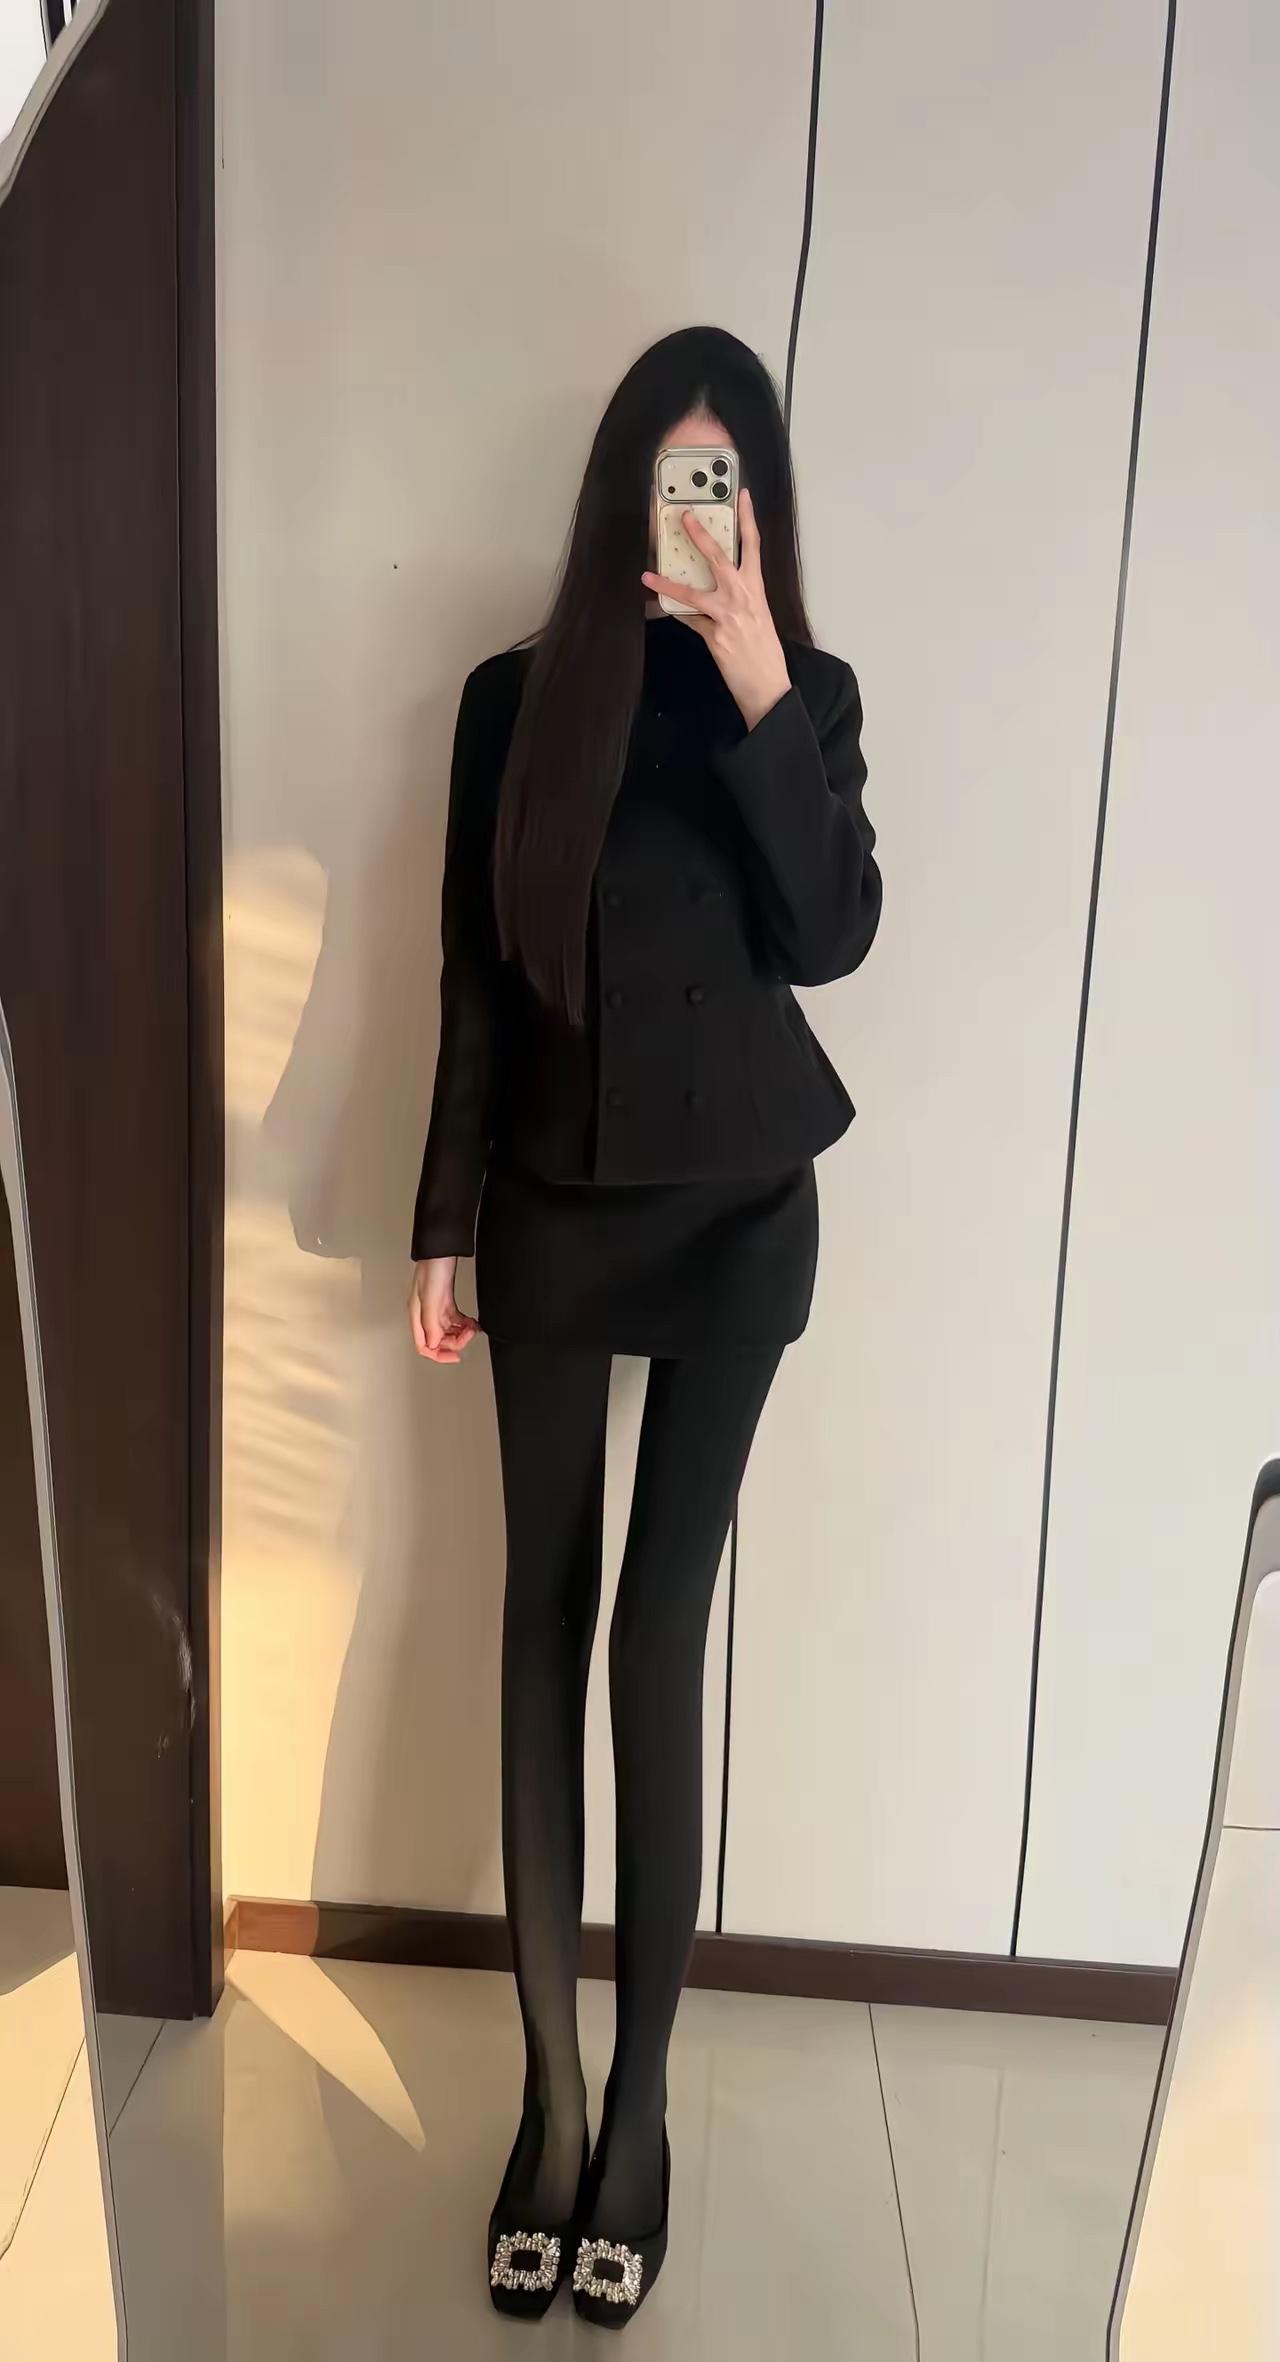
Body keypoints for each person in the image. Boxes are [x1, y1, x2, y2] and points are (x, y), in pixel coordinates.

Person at [407, 324, 882, 2327]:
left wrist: (761, 674)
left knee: (652, 1634)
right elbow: (472, 976)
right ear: (617, 492)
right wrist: (442, 1221)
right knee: (538, 1617)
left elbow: (834, 935)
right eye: (668, 478)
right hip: (545, 1204)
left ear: (755, 511)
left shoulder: (803, 697)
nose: (694, 513)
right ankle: (548, 2098)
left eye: (724, 483)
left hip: (738, 1216)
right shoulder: (512, 700)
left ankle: (646, 2110)